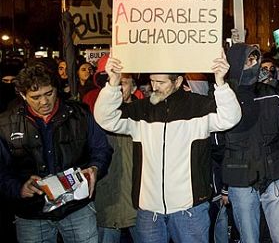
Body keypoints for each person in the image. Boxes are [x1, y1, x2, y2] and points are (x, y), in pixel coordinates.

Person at [94, 52, 242, 243]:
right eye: (152, 81)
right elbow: (105, 119)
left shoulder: (199, 107)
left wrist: (221, 83)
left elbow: (231, 117)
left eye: (161, 82)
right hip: (149, 211)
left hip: (190, 209)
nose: (154, 87)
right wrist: (112, 83)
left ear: (178, 81)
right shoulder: (141, 110)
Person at [0, 64, 112, 242]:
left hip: (77, 207)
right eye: (35, 97)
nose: (44, 102)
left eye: (49, 93)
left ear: (56, 89)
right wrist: (19, 187)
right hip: (32, 214)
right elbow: (2, 170)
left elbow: (101, 149)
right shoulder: (6, 123)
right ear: (22, 95)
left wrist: (95, 169)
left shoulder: (80, 114)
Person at [224, 43, 279, 243]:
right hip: (241, 176)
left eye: (256, 60)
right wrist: (222, 184)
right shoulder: (224, 97)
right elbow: (217, 143)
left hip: (273, 171)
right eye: (248, 60)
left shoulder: (271, 93)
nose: (253, 65)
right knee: (249, 238)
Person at [94, 73, 140, 243]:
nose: (119, 88)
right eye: (114, 83)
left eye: (124, 83)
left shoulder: (145, 114)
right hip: (109, 199)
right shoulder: (96, 117)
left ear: (134, 87)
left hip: (140, 201)